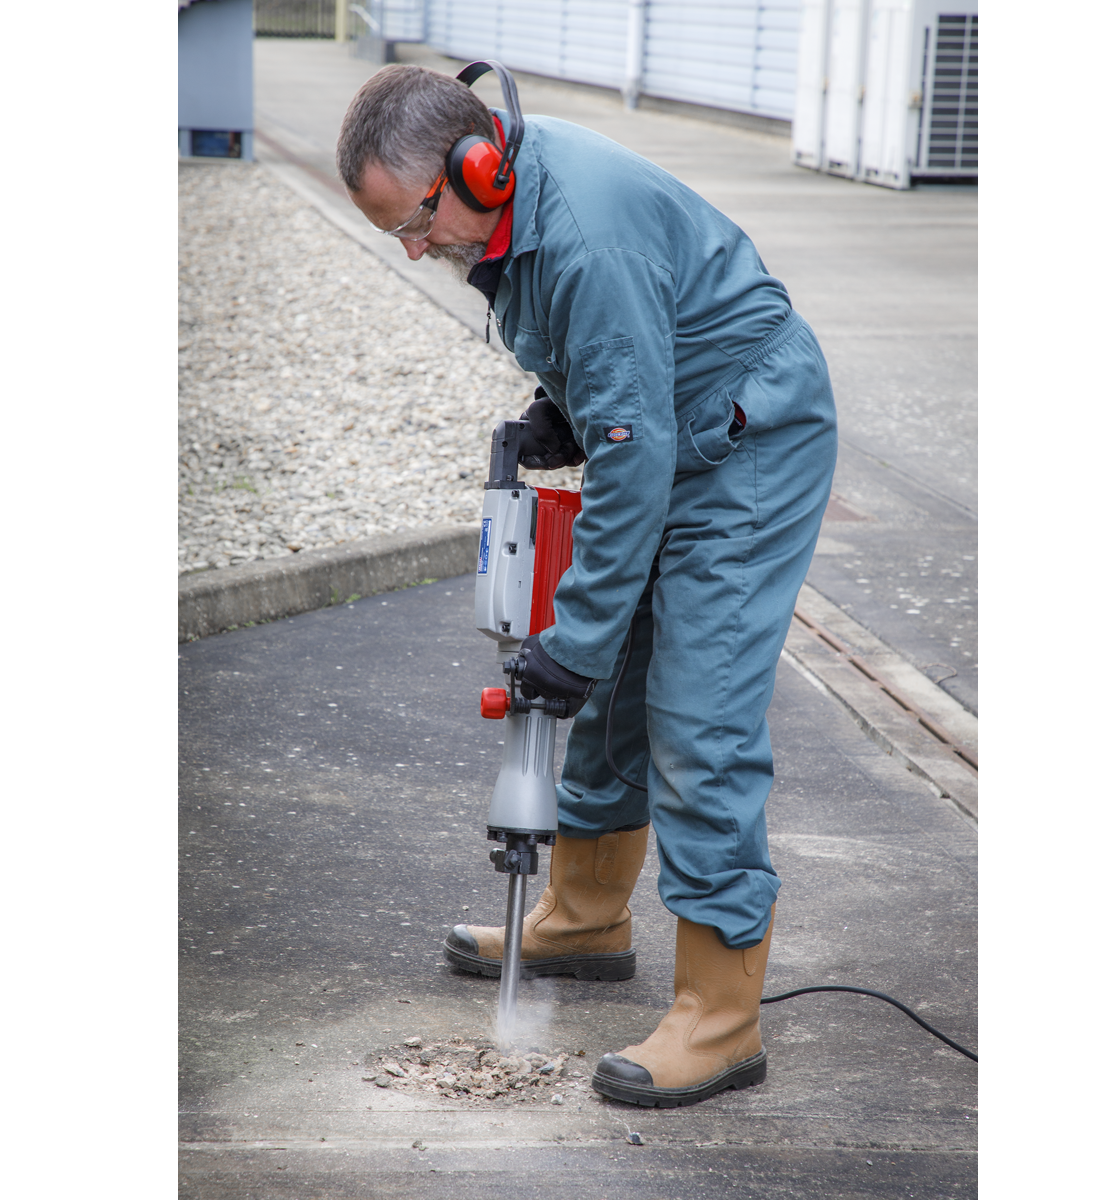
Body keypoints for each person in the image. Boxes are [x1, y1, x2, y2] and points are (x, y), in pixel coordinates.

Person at [336, 62, 837, 1108]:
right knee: (610, 692)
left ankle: (720, 1013)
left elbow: (635, 457)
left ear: (473, 166)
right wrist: (562, 403)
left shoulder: (585, 235)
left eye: (414, 225)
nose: (418, 250)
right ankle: (587, 916)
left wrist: (572, 638)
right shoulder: (506, 188)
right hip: (675, 423)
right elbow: (616, 382)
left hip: (747, 445)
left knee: (697, 716)